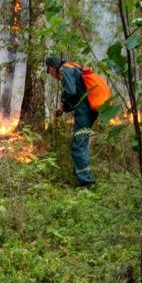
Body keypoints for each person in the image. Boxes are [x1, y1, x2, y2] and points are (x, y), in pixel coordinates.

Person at [45, 56, 97, 188]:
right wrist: (63, 108)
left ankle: (86, 183)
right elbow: (75, 91)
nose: (52, 75)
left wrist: (64, 104)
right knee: (81, 143)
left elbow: (71, 92)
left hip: (84, 110)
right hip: (88, 108)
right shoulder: (72, 67)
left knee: (79, 145)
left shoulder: (65, 69)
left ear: (52, 68)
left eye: (49, 72)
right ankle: (82, 177)